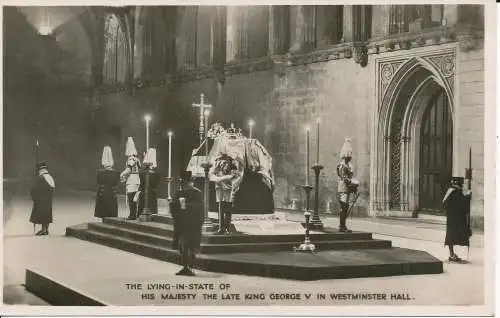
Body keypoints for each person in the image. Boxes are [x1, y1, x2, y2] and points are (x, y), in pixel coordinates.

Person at [170, 170, 203, 276]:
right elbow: (174, 207)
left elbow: (200, 208)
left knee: (189, 245)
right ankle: (186, 267)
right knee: (184, 245)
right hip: (183, 222)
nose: (183, 183)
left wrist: (184, 206)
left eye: (184, 181)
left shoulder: (196, 192)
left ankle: (189, 267)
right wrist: (173, 203)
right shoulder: (180, 192)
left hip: (191, 222)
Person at [443, 177, 472, 262]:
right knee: (455, 234)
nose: (462, 186)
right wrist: (468, 197)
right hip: (456, 218)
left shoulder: (450, 191)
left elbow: (445, 204)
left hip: (452, 218)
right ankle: (452, 255)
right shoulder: (456, 192)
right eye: (461, 185)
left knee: (451, 235)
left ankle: (452, 254)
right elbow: (462, 205)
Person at [211, 153, 241, 235]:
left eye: (225, 161)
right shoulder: (217, 166)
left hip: (229, 189)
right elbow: (212, 176)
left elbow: (234, 177)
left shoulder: (233, 165)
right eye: (221, 160)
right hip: (219, 188)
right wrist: (221, 179)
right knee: (220, 207)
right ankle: (221, 228)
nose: (222, 162)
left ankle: (227, 228)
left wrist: (220, 179)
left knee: (228, 208)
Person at [336, 138, 359, 233]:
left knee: (346, 207)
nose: (350, 157)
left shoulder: (349, 165)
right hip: (343, 188)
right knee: (344, 207)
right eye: (348, 155)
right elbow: (344, 177)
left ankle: (343, 225)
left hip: (347, 188)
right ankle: (342, 225)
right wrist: (353, 183)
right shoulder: (342, 166)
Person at [94, 146, 120, 220]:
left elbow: (98, 182)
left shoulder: (100, 172)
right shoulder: (116, 173)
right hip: (112, 193)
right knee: (111, 212)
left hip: (103, 192)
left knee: (103, 212)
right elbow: (116, 183)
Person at [30, 162, 55, 235]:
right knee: (47, 214)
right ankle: (46, 229)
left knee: (42, 214)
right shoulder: (50, 177)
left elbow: (35, 189)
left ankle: (43, 230)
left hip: (42, 200)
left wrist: (34, 196)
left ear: (40, 170)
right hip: (48, 200)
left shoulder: (41, 177)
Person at [120, 137, 141, 220]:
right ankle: (134, 214)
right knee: (134, 198)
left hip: (132, 179)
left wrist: (122, 174)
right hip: (136, 179)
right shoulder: (137, 159)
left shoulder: (131, 159)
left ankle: (132, 215)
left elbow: (128, 169)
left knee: (131, 198)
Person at [136, 148, 160, 218]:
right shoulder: (155, 173)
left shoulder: (142, 172)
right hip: (151, 193)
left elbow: (141, 182)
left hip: (144, 192)